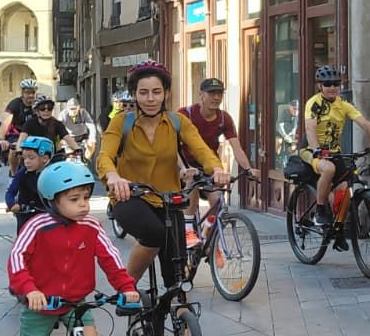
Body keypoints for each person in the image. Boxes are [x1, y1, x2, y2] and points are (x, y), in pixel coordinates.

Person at [0, 160, 140, 336]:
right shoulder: (37, 225)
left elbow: (110, 258)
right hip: (41, 303)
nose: (83, 205)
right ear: (53, 200)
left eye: (87, 197)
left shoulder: (91, 226)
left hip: (76, 300)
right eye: (74, 199)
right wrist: (29, 290)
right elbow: (17, 259)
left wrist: (126, 287)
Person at [97, 61, 228, 283]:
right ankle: (127, 288)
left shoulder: (178, 121)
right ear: (134, 94)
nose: (150, 99)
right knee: (155, 233)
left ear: (166, 93)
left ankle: (179, 308)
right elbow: (105, 156)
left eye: (156, 92)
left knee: (176, 271)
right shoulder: (122, 122)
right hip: (129, 197)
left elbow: (201, 149)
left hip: (168, 200)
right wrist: (113, 176)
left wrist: (216, 168)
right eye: (143, 92)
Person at [301, 65, 370, 214]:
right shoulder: (314, 103)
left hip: (334, 152)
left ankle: (337, 227)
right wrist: (316, 150)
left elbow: (364, 123)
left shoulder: (343, 105)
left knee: (343, 189)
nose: (332, 87)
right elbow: (310, 129)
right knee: (329, 169)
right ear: (320, 86)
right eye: (327, 84)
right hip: (310, 150)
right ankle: (320, 209)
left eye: (336, 84)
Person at [179, 77, 253, 234]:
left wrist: (248, 168)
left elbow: (237, 147)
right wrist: (183, 168)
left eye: (219, 93)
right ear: (201, 95)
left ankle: (207, 238)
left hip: (209, 164)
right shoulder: (186, 114)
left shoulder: (223, 118)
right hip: (185, 163)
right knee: (192, 185)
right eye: (211, 93)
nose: (216, 98)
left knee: (217, 200)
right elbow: (171, 146)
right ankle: (188, 231)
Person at [5, 136, 57, 231]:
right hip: (26, 213)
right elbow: (11, 191)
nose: (26, 162)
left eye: (31, 158)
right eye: (24, 158)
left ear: (45, 158)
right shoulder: (23, 172)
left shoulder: (53, 173)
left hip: (47, 215)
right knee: (24, 236)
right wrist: (11, 204)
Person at [4, 79, 40, 165]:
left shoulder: (39, 104)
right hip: (16, 133)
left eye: (33, 92)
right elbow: (6, 122)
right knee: (14, 150)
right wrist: (1, 138)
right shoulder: (15, 103)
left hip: (33, 134)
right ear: (22, 93)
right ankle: (12, 175)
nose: (30, 95)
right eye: (27, 93)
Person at [62, 97, 97, 163]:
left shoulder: (83, 112)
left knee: (92, 145)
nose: (73, 111)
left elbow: (91, 126)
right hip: (70, 138)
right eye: (71, 109)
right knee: (70, 158)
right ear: (67, 108)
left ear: (79, 107)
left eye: (75, 108)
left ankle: (86, 160)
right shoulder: (63, 114)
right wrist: (60, 139)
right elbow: (59, 127)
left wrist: (92, 138)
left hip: (83, 136)